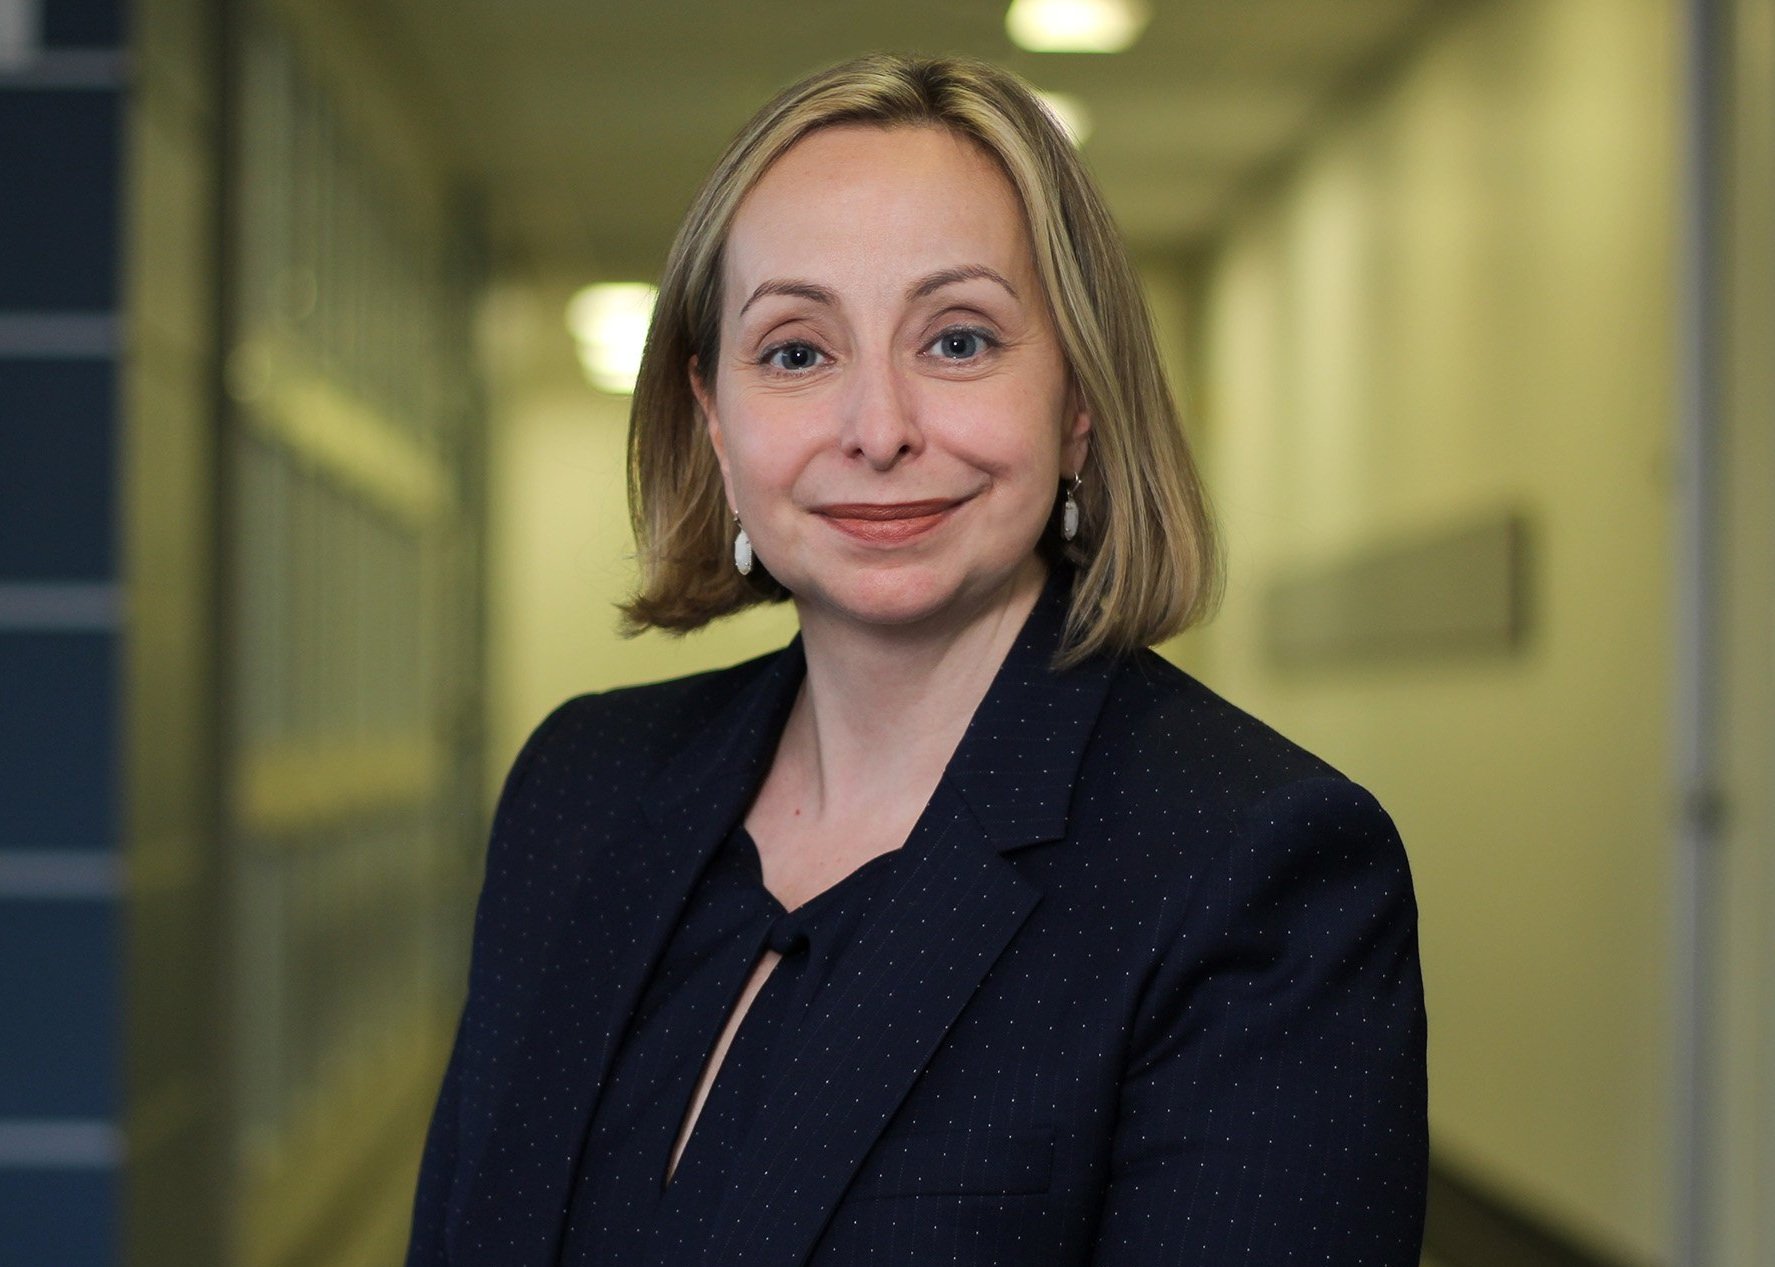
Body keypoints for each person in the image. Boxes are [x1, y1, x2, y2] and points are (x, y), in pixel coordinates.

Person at [406, 53, 1427, 1267]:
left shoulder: (1250, 867)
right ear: (715, 416)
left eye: (956, 340)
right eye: (796, 352)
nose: (878, 429)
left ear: (1078, 401)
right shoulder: (579, 789)